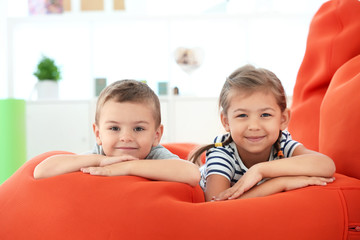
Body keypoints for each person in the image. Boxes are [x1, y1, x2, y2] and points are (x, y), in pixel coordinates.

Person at [189, 65, 336, 201]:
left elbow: (327, 165)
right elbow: (216, 205)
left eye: (265, 115)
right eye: (242, 115)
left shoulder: (282, 144)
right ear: (226, 122)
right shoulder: (221, 154)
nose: (254, 126)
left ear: (283, 119)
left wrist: (260, 170)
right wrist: (279, 183)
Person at [34, 79, 200, 187]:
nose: (126, 138)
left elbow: (192, 174)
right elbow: (41, 171)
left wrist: (128, 167)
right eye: (114, 128)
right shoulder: (99, 155)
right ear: (98, 134)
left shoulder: (153, 154)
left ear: (156, 135)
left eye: (138, 129)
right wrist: (99, 161)